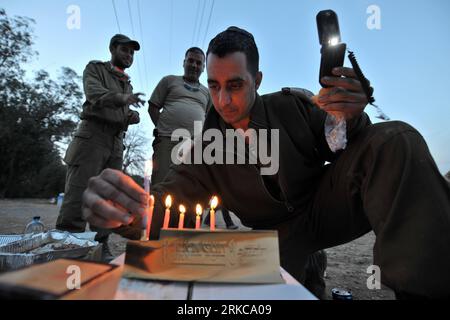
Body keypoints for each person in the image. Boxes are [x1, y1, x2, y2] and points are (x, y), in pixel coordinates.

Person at [82, 27, 450, 298]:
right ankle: (308, 269)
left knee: (396, 138)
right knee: (272, 295)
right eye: (214, 86)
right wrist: (127, 212)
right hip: (272, 239)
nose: (223, 100)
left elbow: (349, 145)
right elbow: (168, 199)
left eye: (235, 85)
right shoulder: (206, 146)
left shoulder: (291, 106)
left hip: (324, 207)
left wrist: (349, 114)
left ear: (257, 79)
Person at [56, 34, 145, 261]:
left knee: (108, 196)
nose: (129, 55)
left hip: (116, 142)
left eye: (132, 52)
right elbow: (94, 94)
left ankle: (100, 246)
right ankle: (67, 248)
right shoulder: (96, 69)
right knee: (79, 191)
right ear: (112, 49)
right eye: (125, 50)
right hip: (92, 136)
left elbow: (121, 111)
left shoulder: (127, 83)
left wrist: (131, 116)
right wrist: (123, 100)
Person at [148, 46, 237, 229]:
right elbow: (153, 106)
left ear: (203, 67)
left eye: (198, 63)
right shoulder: (169, 81)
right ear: (184, 62)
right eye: (191, 61)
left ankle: (185, 236)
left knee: (190, 189)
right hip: (167, 141)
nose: (194, 65)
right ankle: (155, 237)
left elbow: (211, 118)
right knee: (162, 186)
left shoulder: (207, 92)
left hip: (194, 148)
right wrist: (163, 127)